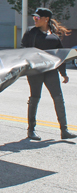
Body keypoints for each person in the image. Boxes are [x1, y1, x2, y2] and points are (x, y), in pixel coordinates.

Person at [21, 8, 77, 141]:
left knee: (58, 98)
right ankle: (31, 130)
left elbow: (60, 55)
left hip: (51, 71)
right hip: (35, 71)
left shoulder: (54, 35)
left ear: (46, 19)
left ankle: (64, 131)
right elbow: (23, 49)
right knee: (34, 98)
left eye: (37, 17)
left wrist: (63, 73)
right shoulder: (31, 32)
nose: (34, 19)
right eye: (34, 17)